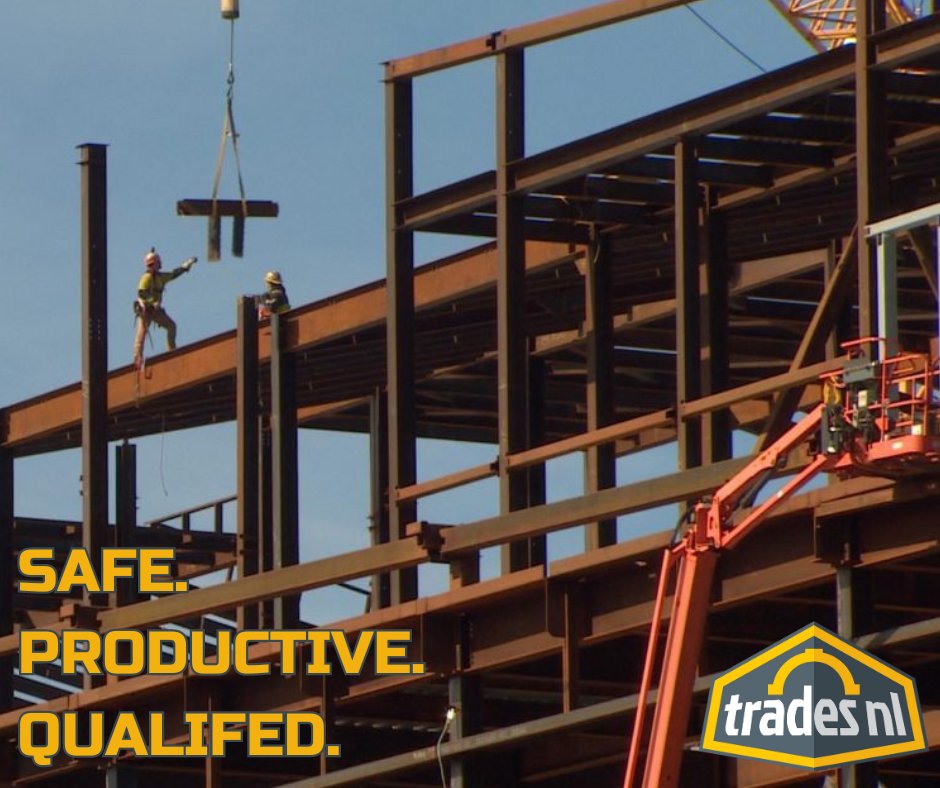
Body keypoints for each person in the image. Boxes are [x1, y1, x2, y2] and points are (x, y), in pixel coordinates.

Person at [133, 248, 197, 367]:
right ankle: (137, 359)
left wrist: (185, 266)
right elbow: (141, 293)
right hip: (145, 311)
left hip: (155, 311)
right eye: (158, 262)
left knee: (171, 326)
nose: (160, 264)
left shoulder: (160, 277)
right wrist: (152, 303)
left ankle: (172, 352)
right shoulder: (146, 278)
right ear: (155, 263)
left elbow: (173, 274)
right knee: (141, 334)